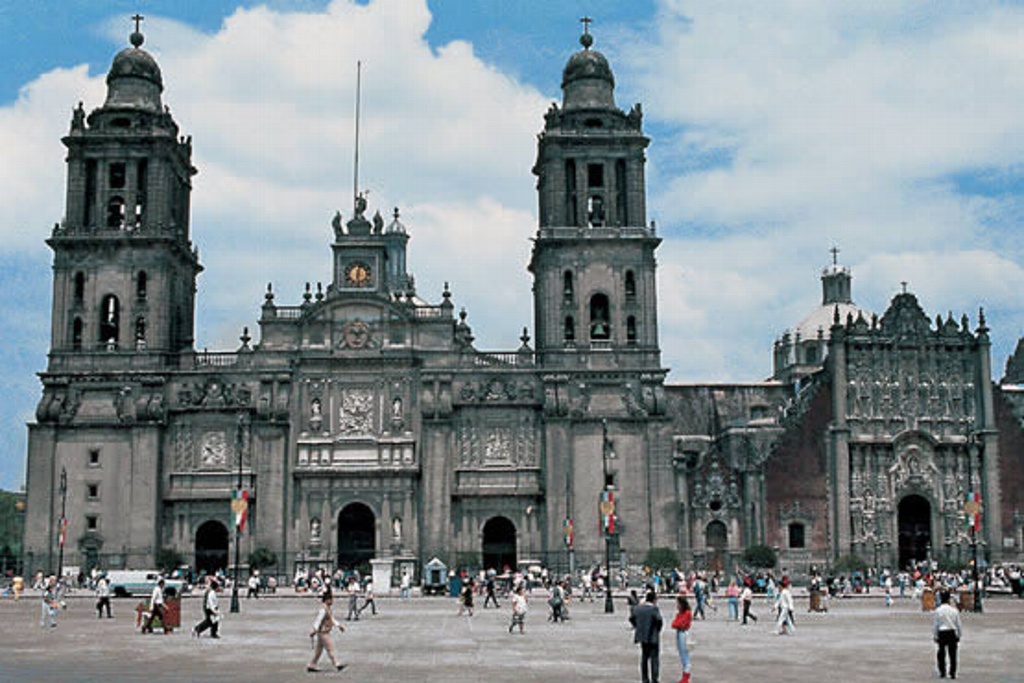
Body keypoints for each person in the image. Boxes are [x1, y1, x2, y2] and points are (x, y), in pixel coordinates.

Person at [308, 591, 346, 672]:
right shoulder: (323, 609)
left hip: (322, 632)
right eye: (331, 599)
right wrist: (314, 630)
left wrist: (339, 625)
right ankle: (337, 664)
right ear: (327, 600)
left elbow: (331, 619)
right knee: (330, 648)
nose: (332, 601)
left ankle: (312, 665)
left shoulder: (327, 608)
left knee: (318, 651)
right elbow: (318, 620)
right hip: (323, 632)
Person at [631, 591, 663, 683]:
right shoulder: (654, 609)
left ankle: (645, 678)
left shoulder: (638, 608)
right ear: (654, 600)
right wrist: (657, 630)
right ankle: (654, 678)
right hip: (653, 637)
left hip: (642, 636)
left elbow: (632, 618)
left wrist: (638, 627)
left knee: (644, 658)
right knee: (654, 659)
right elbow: (659, 621)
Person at [933, 590, 963, 679]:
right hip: (951, 632)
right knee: (953, 654)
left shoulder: (938, 610)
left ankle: (942, 671)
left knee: (941, 654)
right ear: (949, 599)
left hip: (942, 632)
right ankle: (952, 672)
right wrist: (959, 634)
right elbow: (958, 624)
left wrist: (935, 635)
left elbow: (936, 624)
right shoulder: (954, 611)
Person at [671, 594, 694, 683]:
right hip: (680, 632)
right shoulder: (681, 613)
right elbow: (675, 624)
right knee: (682, 654)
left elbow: (679, 624)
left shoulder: (686, 613)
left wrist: (677, 623)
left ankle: (686, 677)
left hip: (683, 633)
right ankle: (685, 676)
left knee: (685, 656)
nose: (677, 606)